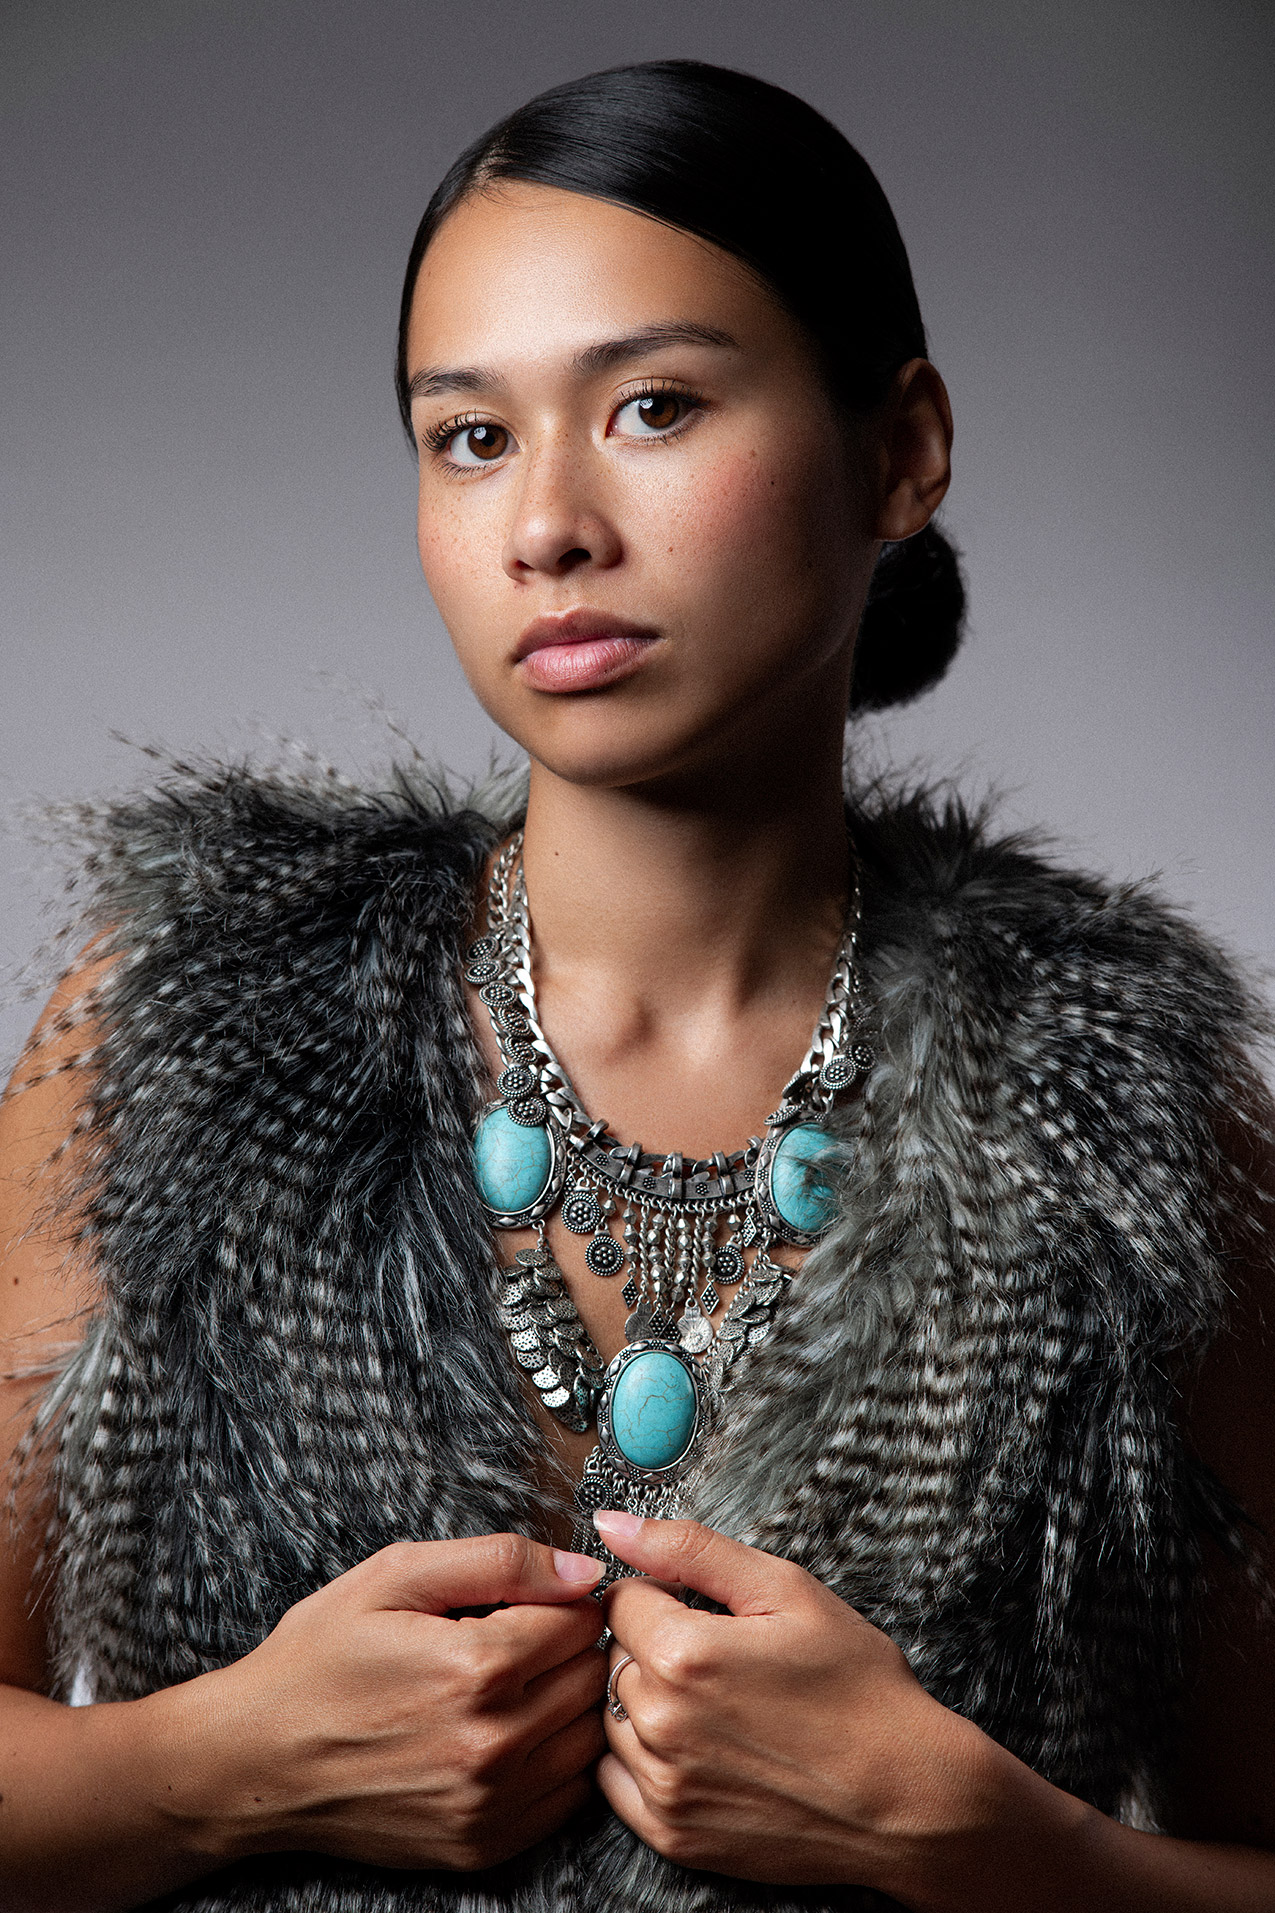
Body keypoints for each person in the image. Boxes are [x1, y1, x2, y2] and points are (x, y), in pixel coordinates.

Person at [1, 57, 1272, 1913]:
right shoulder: (181, 1027)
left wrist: (995, 1843)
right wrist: (213, 1769)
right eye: (469, 436)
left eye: (655, 406)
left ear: (904, 450)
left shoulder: (1119, 1106)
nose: (548, 523)